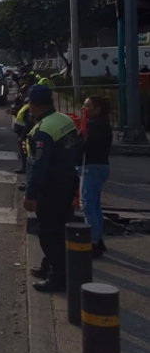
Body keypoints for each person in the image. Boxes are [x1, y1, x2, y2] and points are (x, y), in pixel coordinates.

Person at [23, 85, 80, 292]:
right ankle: (49, 265)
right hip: (67, 181)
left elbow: (39, 164)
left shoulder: (44, 129)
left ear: (33, 103)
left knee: (49, 233)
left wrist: (30, 194)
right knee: (59, 228)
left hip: (51, 188)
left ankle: (57, 277)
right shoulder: (64, 120)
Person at [77, 96, 113, 258]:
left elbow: (86, 145)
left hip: (91, 168)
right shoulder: (102, 123)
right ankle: (98, 239)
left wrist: (76, 142)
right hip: (100, 166)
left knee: (88, 207)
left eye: (88, 106)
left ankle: (92, 243)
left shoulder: (95, 126)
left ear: (97, 109)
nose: (84, 109)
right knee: (95, 206)